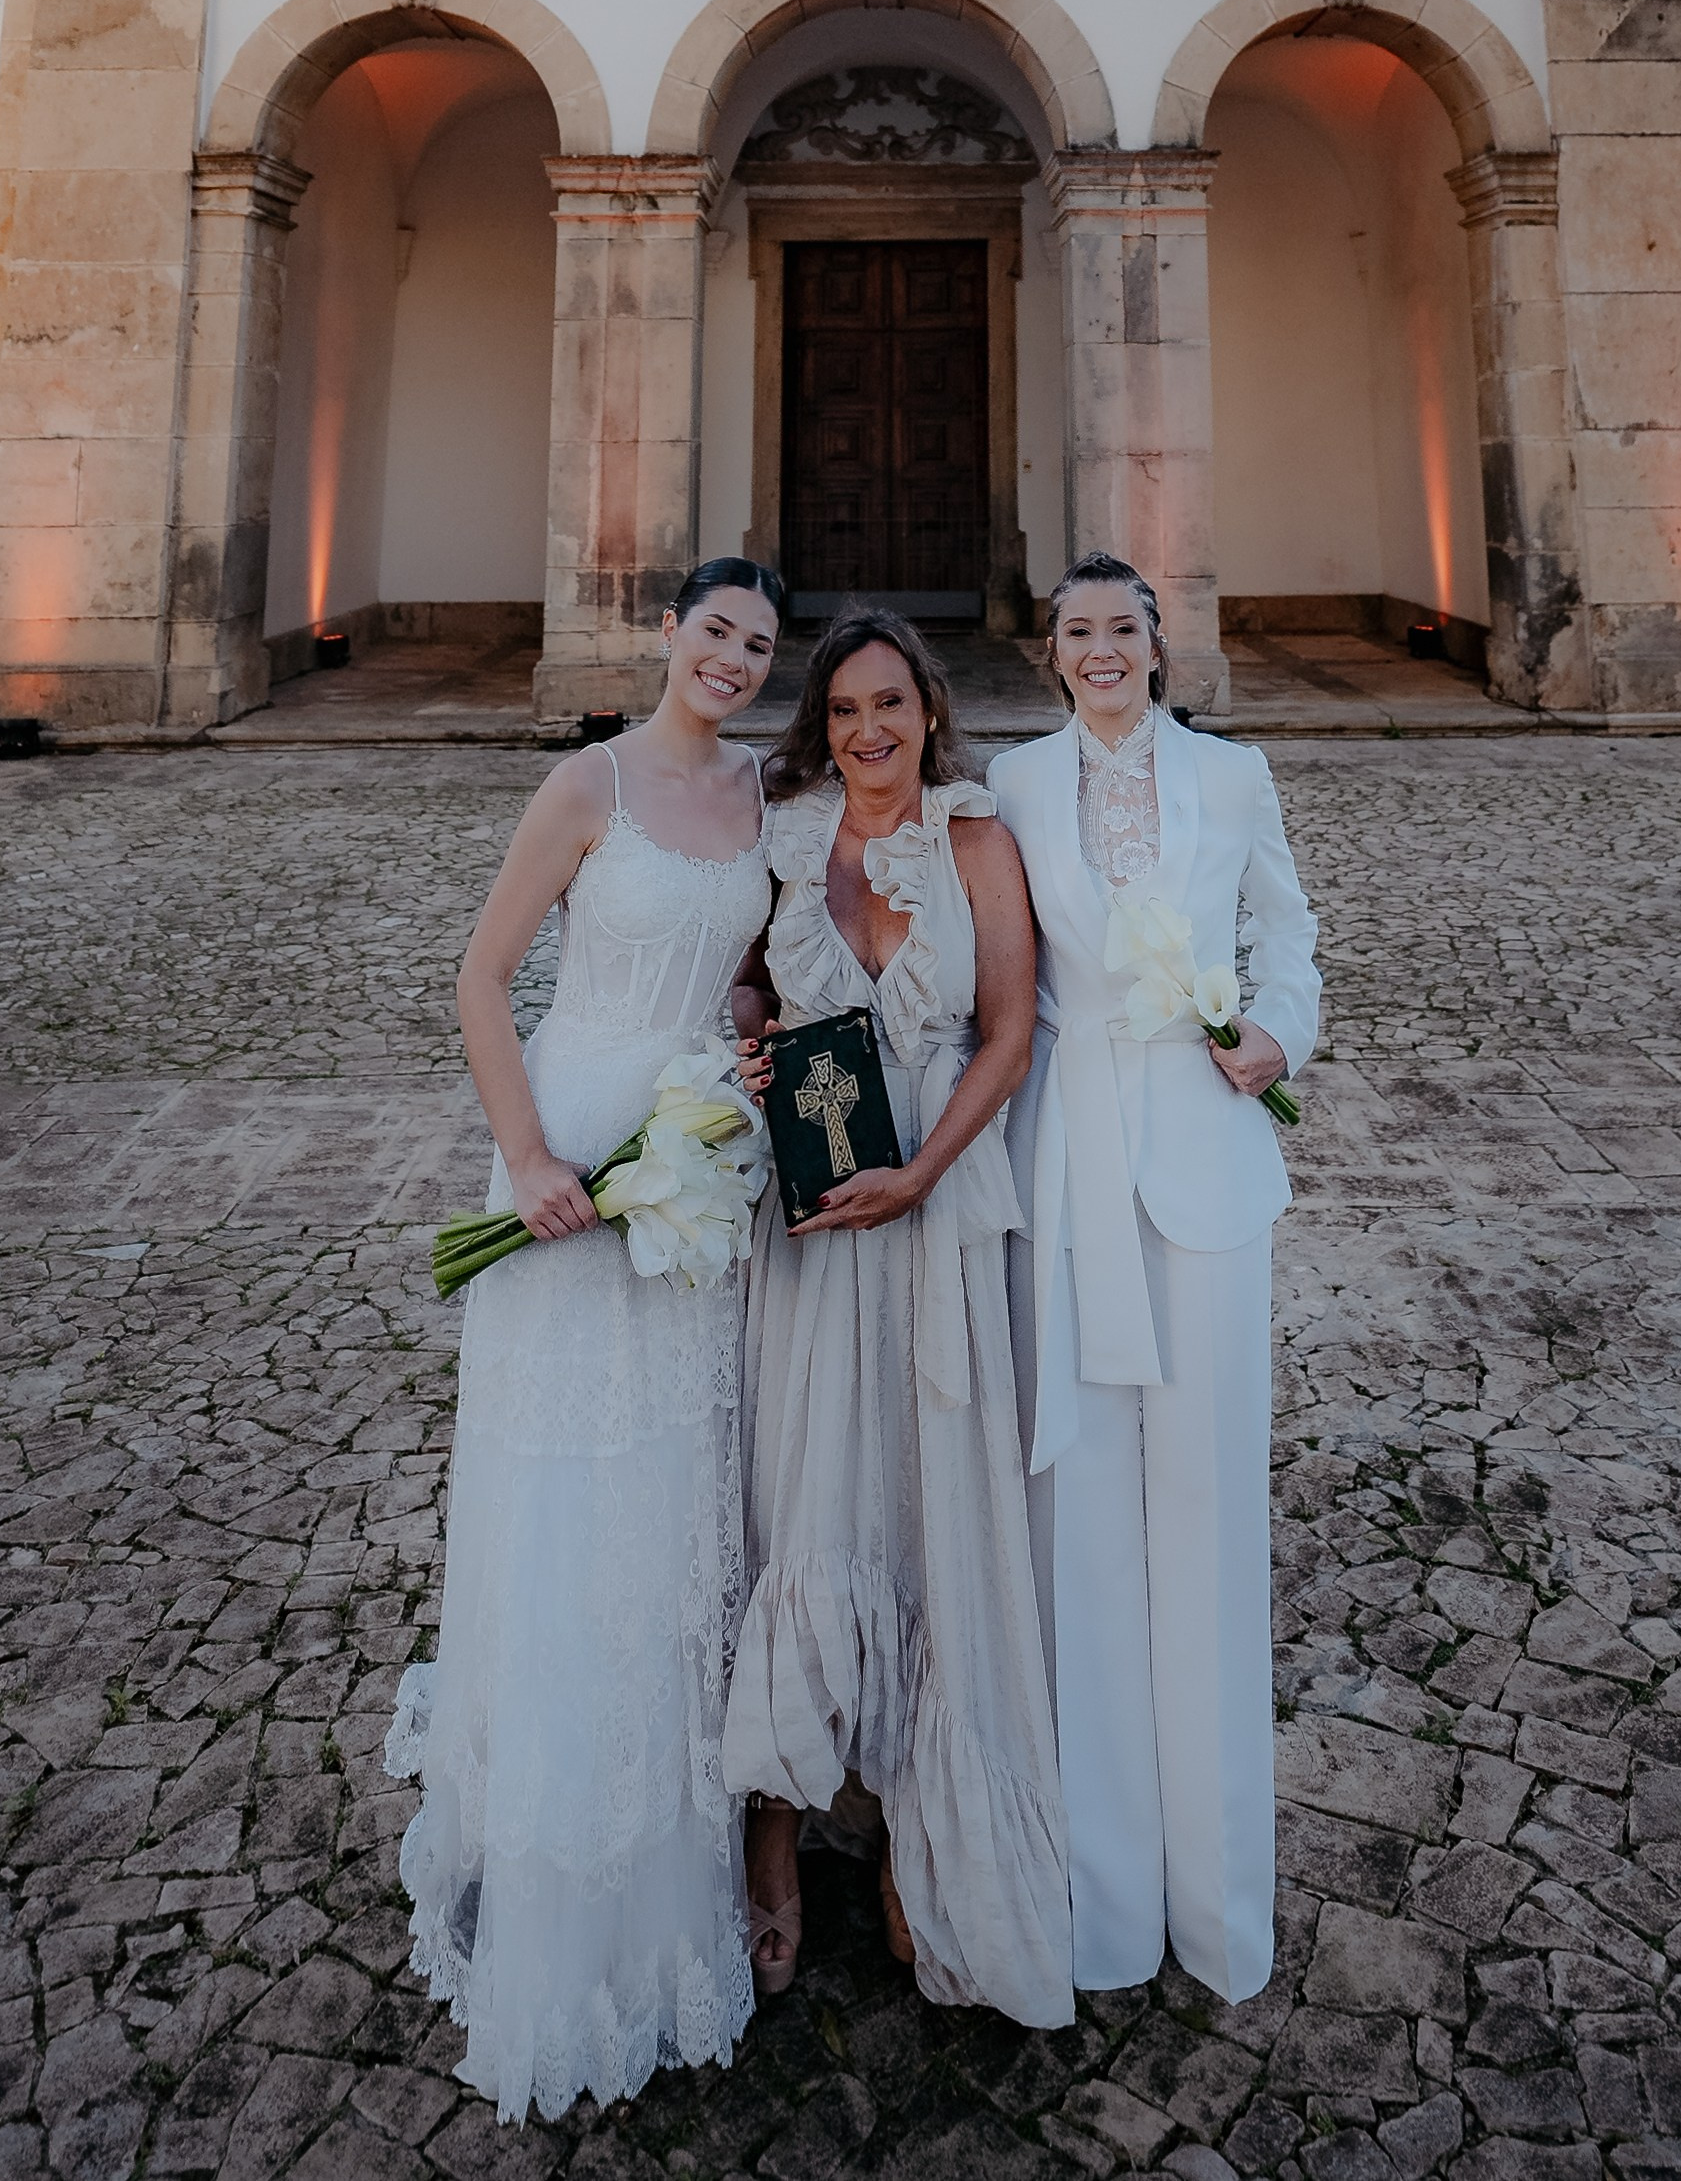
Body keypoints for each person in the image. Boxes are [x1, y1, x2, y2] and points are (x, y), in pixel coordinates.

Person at [386, 559, 786, 2123]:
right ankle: (553, 1817)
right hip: (569, 1150)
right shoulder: (587, 781)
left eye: (761, 643)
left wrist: (749, 1064)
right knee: (568, 1485)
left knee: (681, 1478)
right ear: (667, 635)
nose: (736, 660)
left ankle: (671, 1809)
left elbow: (752, 979)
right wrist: (535, 1159)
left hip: (691, 1158)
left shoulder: (764, 797)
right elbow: (483, 981)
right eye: (715, 632)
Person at [725, 610, 1072, 2026]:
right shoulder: (787, 837)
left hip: (927, 1206)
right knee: (803, 1504)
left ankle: (912, 1840)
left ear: (930, 713)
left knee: (927, 1514)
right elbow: (753, 979)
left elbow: (1006, 1028)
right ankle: (775, 1840)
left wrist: (922, 1175)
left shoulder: (978, 841)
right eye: (849, 710)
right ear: (826, 724)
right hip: (810, 1228)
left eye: (893, 707)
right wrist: (752, 1026)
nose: (872, 731)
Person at [987, 554, 1320, 2005]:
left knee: (1204, 1512)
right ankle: (1102, 1903)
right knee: (1083, 1537)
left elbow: (1290, 935)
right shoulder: (1005, 788)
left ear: (1159, 645)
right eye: (1079, 631)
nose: (1103, 649)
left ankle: (1220, 1902)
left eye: (1125, 627)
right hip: (1067, 1165)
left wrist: (1281, 1038)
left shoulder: (1234, 777)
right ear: (1050, 654)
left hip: (1203, 1164)